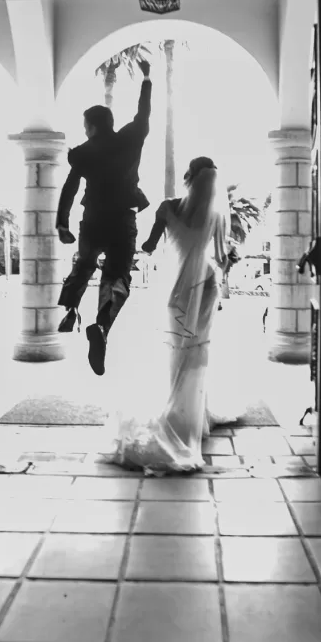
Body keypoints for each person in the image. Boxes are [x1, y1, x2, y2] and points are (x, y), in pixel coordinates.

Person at [104, 156, 232, 474]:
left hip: (177, 288)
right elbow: (223, 257)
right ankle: (194, 415)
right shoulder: (215, 213)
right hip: (206, 285)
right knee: (198, 349)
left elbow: (148, 245)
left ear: (187, 177)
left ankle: (176, 411)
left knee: (176, 346)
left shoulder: (166, 208)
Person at [55, 59, 152, 375]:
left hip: (93, 219)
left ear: (92, 125)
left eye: (86, 125)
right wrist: (147, 80)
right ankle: (101, 327)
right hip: (122, 220)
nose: (84, 130)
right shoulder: (129, 139)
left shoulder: (83, 152)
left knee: (83, 265)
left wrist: (62, 222)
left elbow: (70, 187)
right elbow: (143, 115)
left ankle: (70, 309)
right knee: (118, 277)